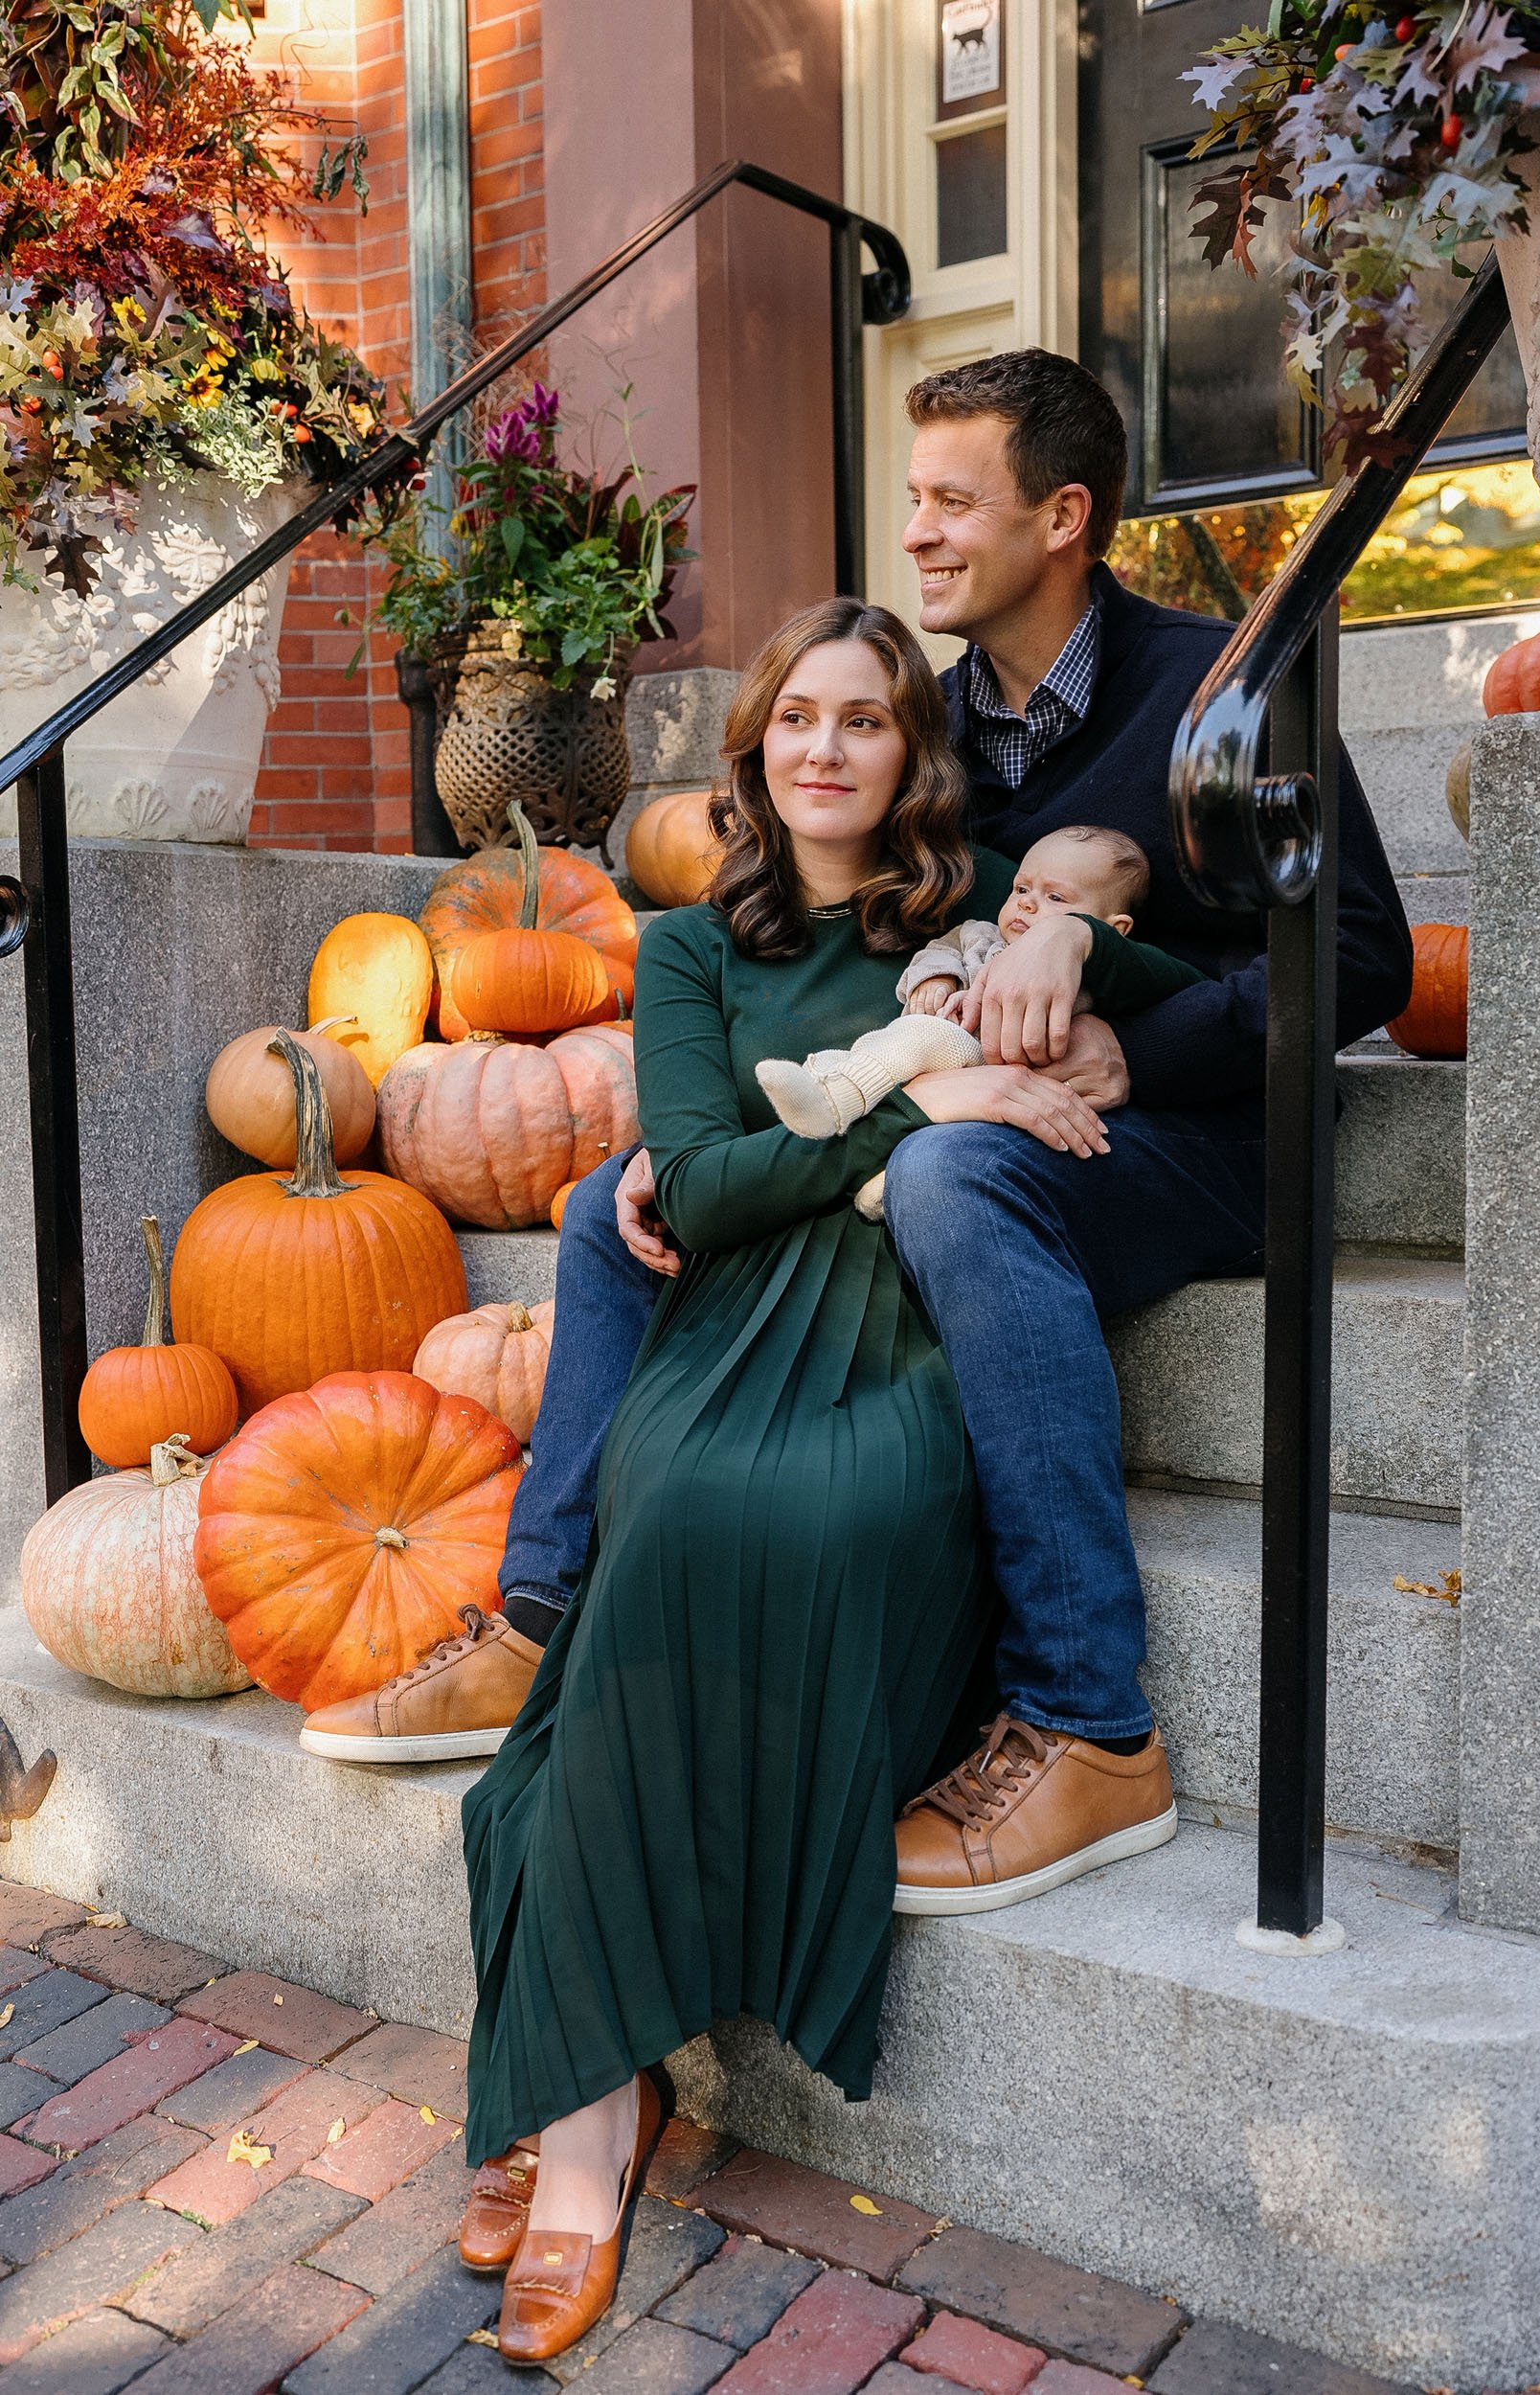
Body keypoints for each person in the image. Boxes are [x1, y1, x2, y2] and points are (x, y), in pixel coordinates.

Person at [304, 348, 1410, 1920]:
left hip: (1201, 1140)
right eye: (914, 500)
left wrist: (1123, 1040)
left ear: (1064, 517)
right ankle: (545, 1613)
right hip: (953, 1110)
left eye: (952, 501)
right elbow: (858, 964)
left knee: (953, 1174)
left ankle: (1092, 1724)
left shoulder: (1220, 690)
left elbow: (1359, 954)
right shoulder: (929, 719)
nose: (921, 533)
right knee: (614, 1206)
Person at [454, 603, 1162, 2367]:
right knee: (680, 1507)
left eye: (866, 720)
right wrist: (940, 1103)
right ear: (756, 755)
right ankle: (596, 2105)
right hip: (745, 1313)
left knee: (813, 1521)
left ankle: (554, 2064)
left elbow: (1155, 1005)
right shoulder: (694, 948)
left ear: (914, 753)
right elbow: (691, 1191)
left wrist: (1072, 963)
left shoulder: (982, 906)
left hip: (915, 1332)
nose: (829, 749)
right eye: (796, 723)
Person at [754, 826, 1201, 1222]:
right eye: (1021, 887)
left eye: (1055, 897)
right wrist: (938, 977)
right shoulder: (979, 934)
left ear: (1112, 929)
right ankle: (848, 1120)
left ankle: (835, 1094)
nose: (1027, 902)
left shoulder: (1082, 970)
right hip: (961, 1065)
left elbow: (1168, 986)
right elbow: (939, 950)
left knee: (920, 1041)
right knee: (917, 1067)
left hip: (1001, 1060)